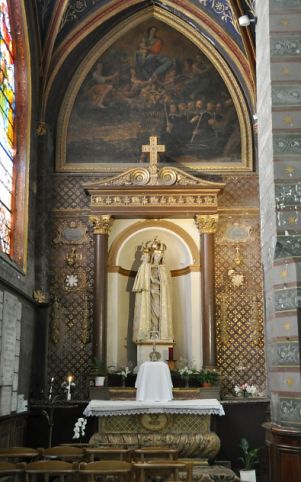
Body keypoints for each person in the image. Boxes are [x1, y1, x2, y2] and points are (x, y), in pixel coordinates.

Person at [132, 240, 173, 342]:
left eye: (160, 256)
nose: (157, 257)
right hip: (149, 294)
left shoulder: (163, 269)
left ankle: (160, 332)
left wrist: (158, 282)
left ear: (162, 257)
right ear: (153, 255)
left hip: (159, 294)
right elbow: (143, 282)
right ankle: (150, 332)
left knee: (159, 313)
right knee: (149, 312)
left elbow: (166, 284)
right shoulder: (146, 268)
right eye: (156, 255)